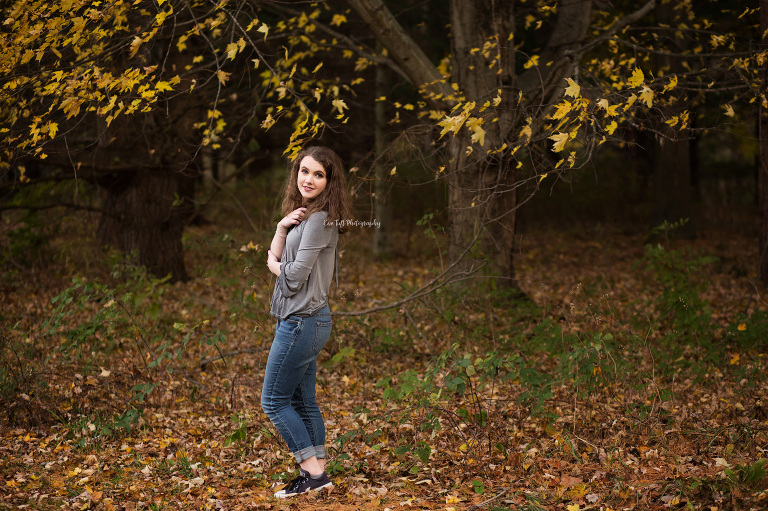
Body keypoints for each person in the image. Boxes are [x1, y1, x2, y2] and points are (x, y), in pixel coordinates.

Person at [262, 146, 352, 498]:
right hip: (308, 321)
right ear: (296, 173)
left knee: (273, 401)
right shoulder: (308, 216)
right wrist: (282, 227)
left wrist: (272, 266)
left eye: (318, 174)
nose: (308, 179)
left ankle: (312, 473)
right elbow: (283, 254)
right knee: (303, 400)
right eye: (304, 171)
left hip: (302, 322)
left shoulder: (319, 219)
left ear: (330, 181)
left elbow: (292, 274)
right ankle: (319, 476)